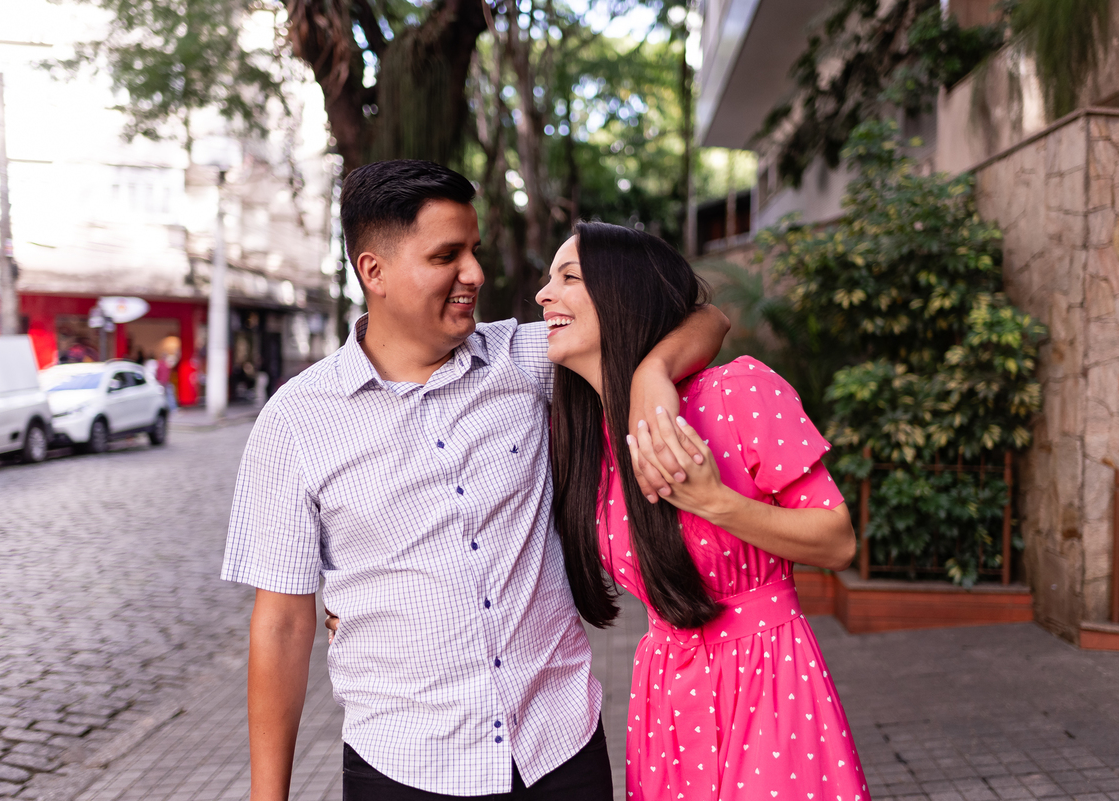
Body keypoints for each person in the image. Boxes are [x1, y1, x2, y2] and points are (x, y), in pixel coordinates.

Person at [220, 160, 729, 801]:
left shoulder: (522, 360)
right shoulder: (295, 423)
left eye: (475, 250)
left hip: (559, 748)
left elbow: (702, 316)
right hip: (403, 766)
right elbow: (283, 625)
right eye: (446, 256)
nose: (475, 274)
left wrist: (653, 370)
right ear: (372, 271)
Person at [535, 222, 867, 800]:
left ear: (623, 295)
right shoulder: (587, 443)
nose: (543, 294)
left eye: (569, 278)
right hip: (666, 689)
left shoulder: (737, 393)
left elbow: (837, 542)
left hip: (770, 674)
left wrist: (715, 502)